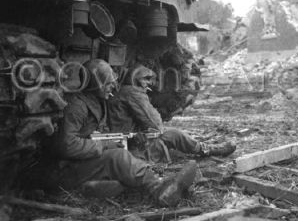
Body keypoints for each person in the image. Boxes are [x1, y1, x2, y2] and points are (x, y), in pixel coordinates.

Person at [46, 59, 196, 207]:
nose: (113, 86)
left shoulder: (98, 102)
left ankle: (118, 185)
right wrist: (104, 145)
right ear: (95, 84)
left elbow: (102, 134)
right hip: (69, 168)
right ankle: (159, 189)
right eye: (107, 82)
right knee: (118, 157)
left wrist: (131, 139)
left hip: (89, 160)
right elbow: (66, 145)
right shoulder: (76, 106)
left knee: (132, 153)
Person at [108, 64, 236, 162]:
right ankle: (209, 150)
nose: (149, 84)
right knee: (175, 135)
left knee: (174, 134)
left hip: (128, 145)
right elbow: (156, 125)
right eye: (145, 79)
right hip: (130, 152)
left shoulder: (125, 92)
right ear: (134, 78)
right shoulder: (133, 93)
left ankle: (206, 148)